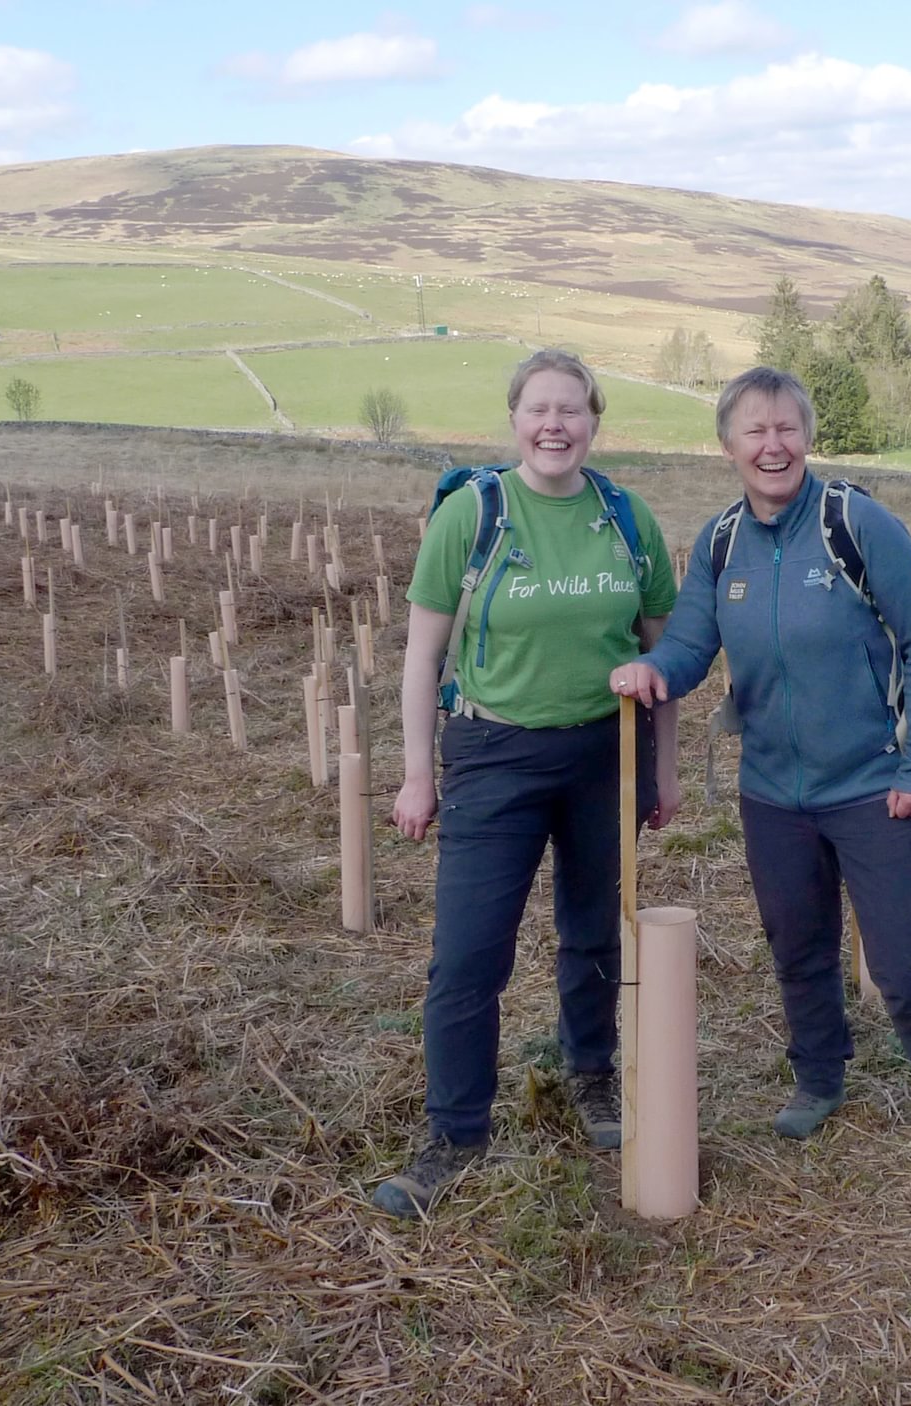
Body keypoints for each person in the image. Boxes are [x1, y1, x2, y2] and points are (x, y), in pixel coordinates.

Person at [609, 365, 911, 1182]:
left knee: (904, 961)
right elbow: (689, 644)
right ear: (728, 445)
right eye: (755, 430)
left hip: (876, 787)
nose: (772, 445)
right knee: (798, 948)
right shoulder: (719, 543)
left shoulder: (856, 524)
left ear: (807, 437)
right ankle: (820, 1078)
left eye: (786, 428)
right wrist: (652, 671)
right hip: (772, 794)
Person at [374, 348, 680, 1218]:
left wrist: (661, 769)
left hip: (601, 756)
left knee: (594, 936)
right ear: (514, 419)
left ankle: (590, 1077)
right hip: (492, 755)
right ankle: (454, 1136)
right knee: (469, 957)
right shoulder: (472, 515)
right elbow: (421, 657)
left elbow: (662, 656)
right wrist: (415, 775)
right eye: (539, 409)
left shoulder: (625, 518)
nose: (556, 424)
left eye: (573, 409)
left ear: (594, 421)